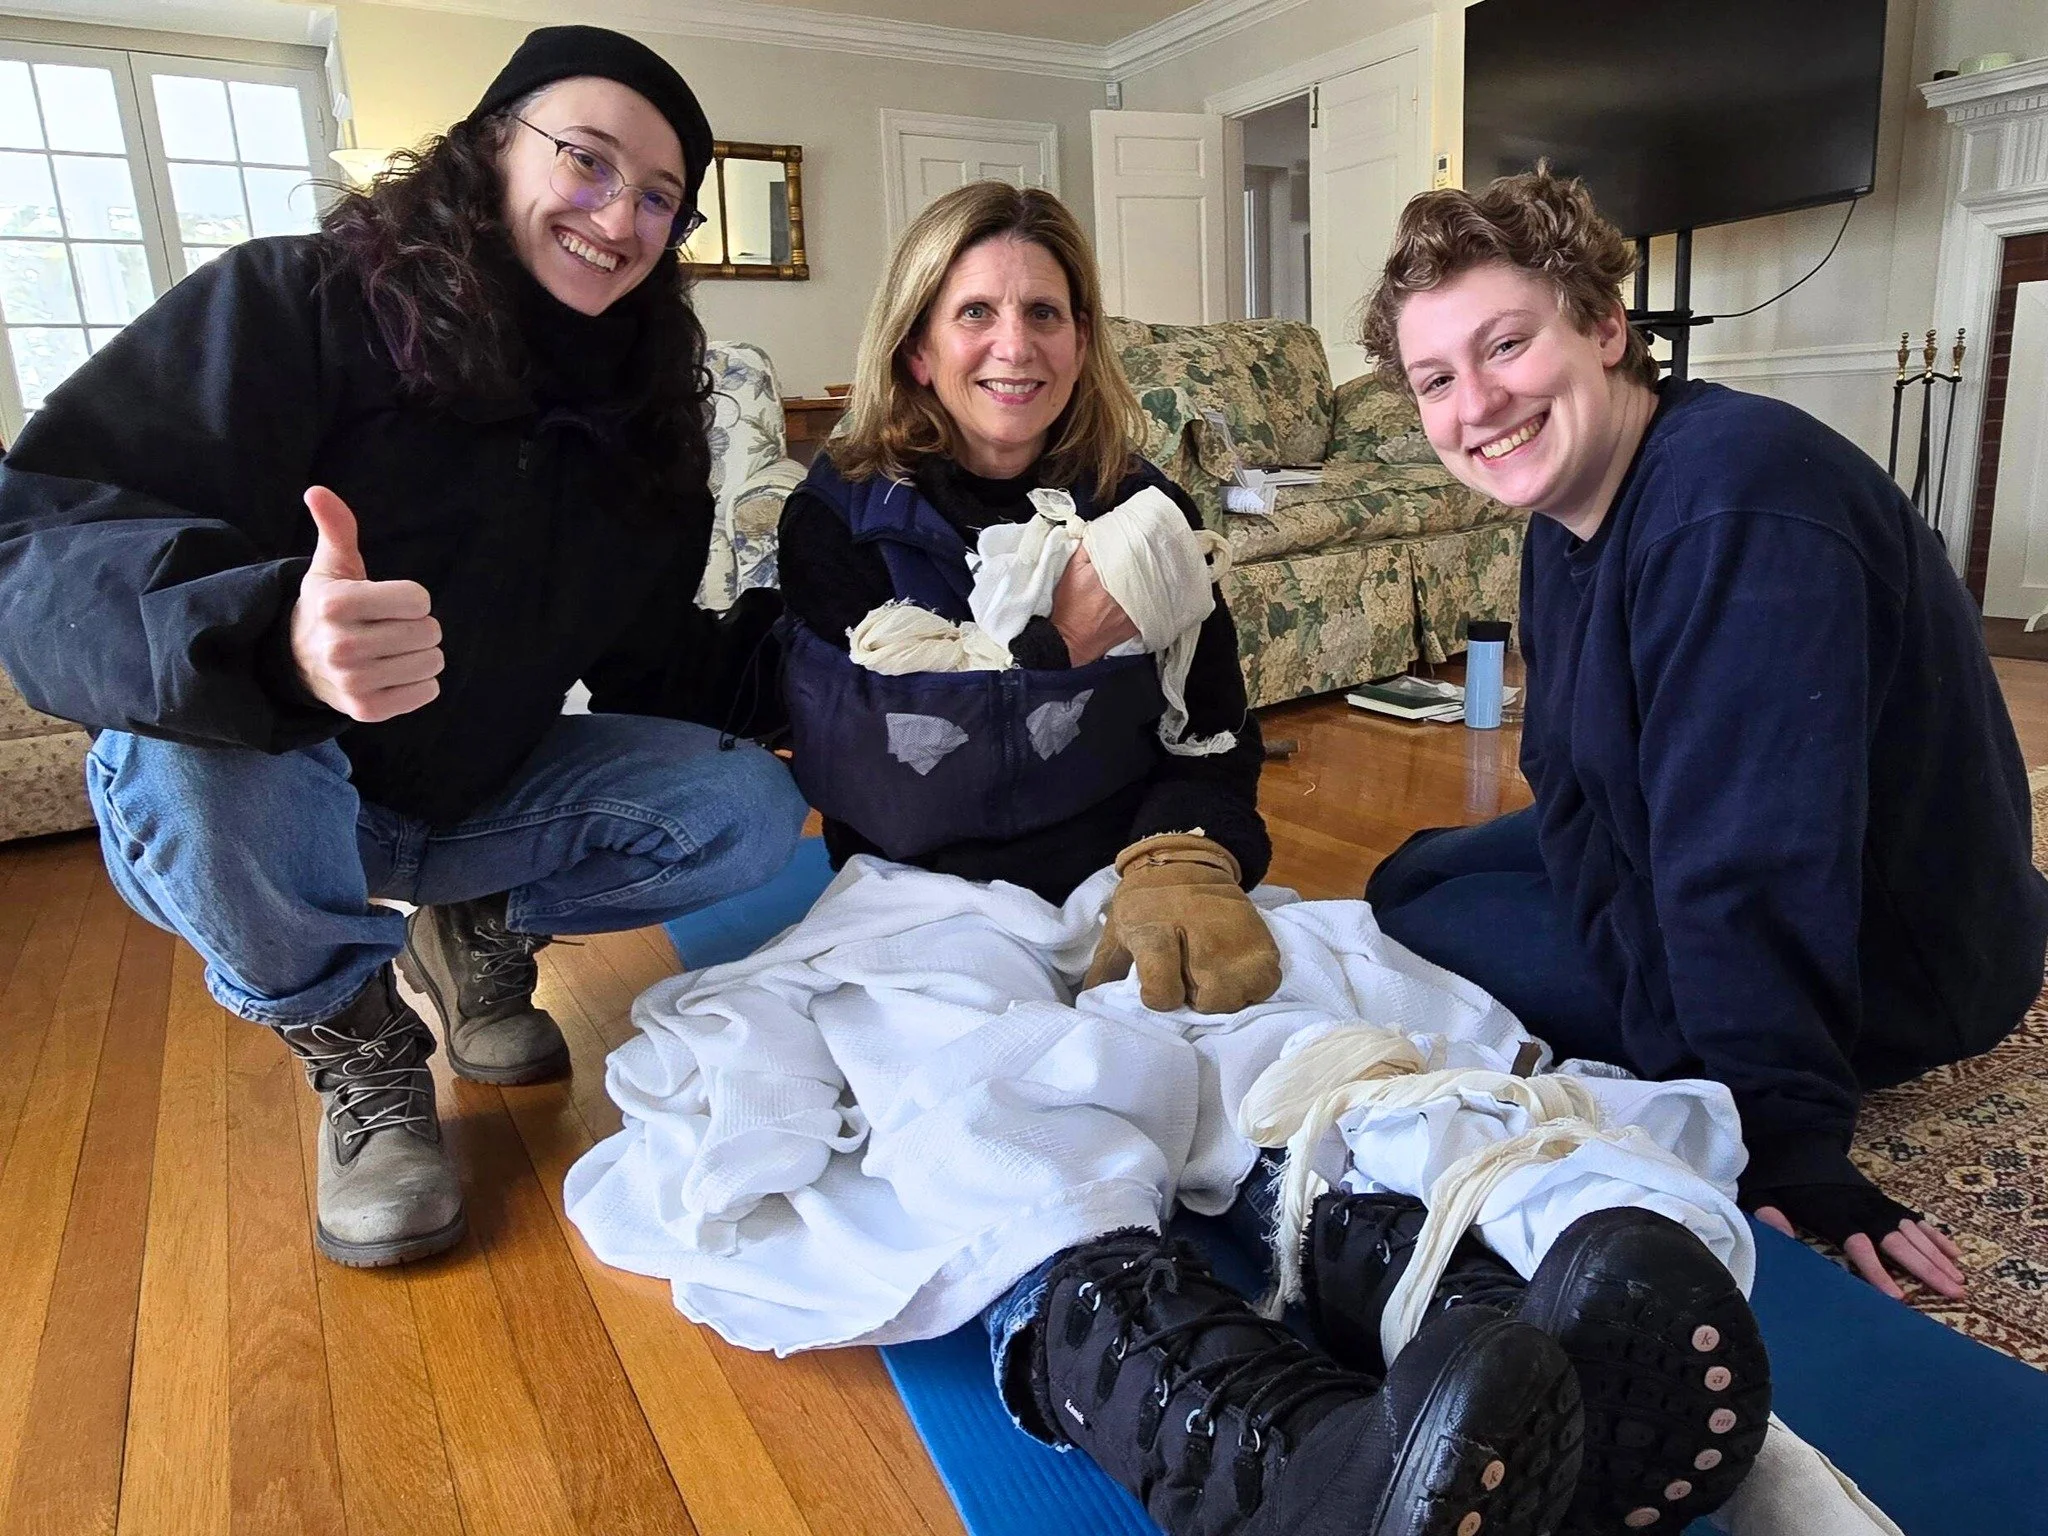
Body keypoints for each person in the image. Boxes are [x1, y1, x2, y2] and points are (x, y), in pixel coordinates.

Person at [761, 179, 1724, 1536]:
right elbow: (887, 773)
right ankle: (1292, 1466)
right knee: (993, 1119)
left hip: (1124, 872)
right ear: (918, 343)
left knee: (1281, 1051)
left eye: (1047, 312)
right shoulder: (839, 518)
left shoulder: (1143, 510)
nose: (1014, 344)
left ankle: (1498, 1338)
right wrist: (1056, 655)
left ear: (1085, 341)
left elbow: (1213, 743)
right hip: (925, 899)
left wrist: (1188, 855)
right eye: (974, 311)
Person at [0, 26, 806, 1269]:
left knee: (746, 807)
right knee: (208, 755)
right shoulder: (291, 302)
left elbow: (656, 665)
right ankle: (357, 1043)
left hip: (473, 793)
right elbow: (39, 534)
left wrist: (844, 650)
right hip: (267, 783)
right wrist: (272, 638)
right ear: (492, 145)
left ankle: (476, 925)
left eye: (658, 198)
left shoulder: (649, 411)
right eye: (586, 162)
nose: (619, 216)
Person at [1355, 165, 2048, 1302]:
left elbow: (1759, 852)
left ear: (1605, 329)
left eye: (1504, 346)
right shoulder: (1566, 515)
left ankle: (1765, 1060)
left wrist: (1776, 1138)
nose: (1472, 406)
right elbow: (1566, 772)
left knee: (1432, 930)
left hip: (1899, 954)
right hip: (1679, 831)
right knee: (1411, 879)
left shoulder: (1734, 497)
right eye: (1435, 379)